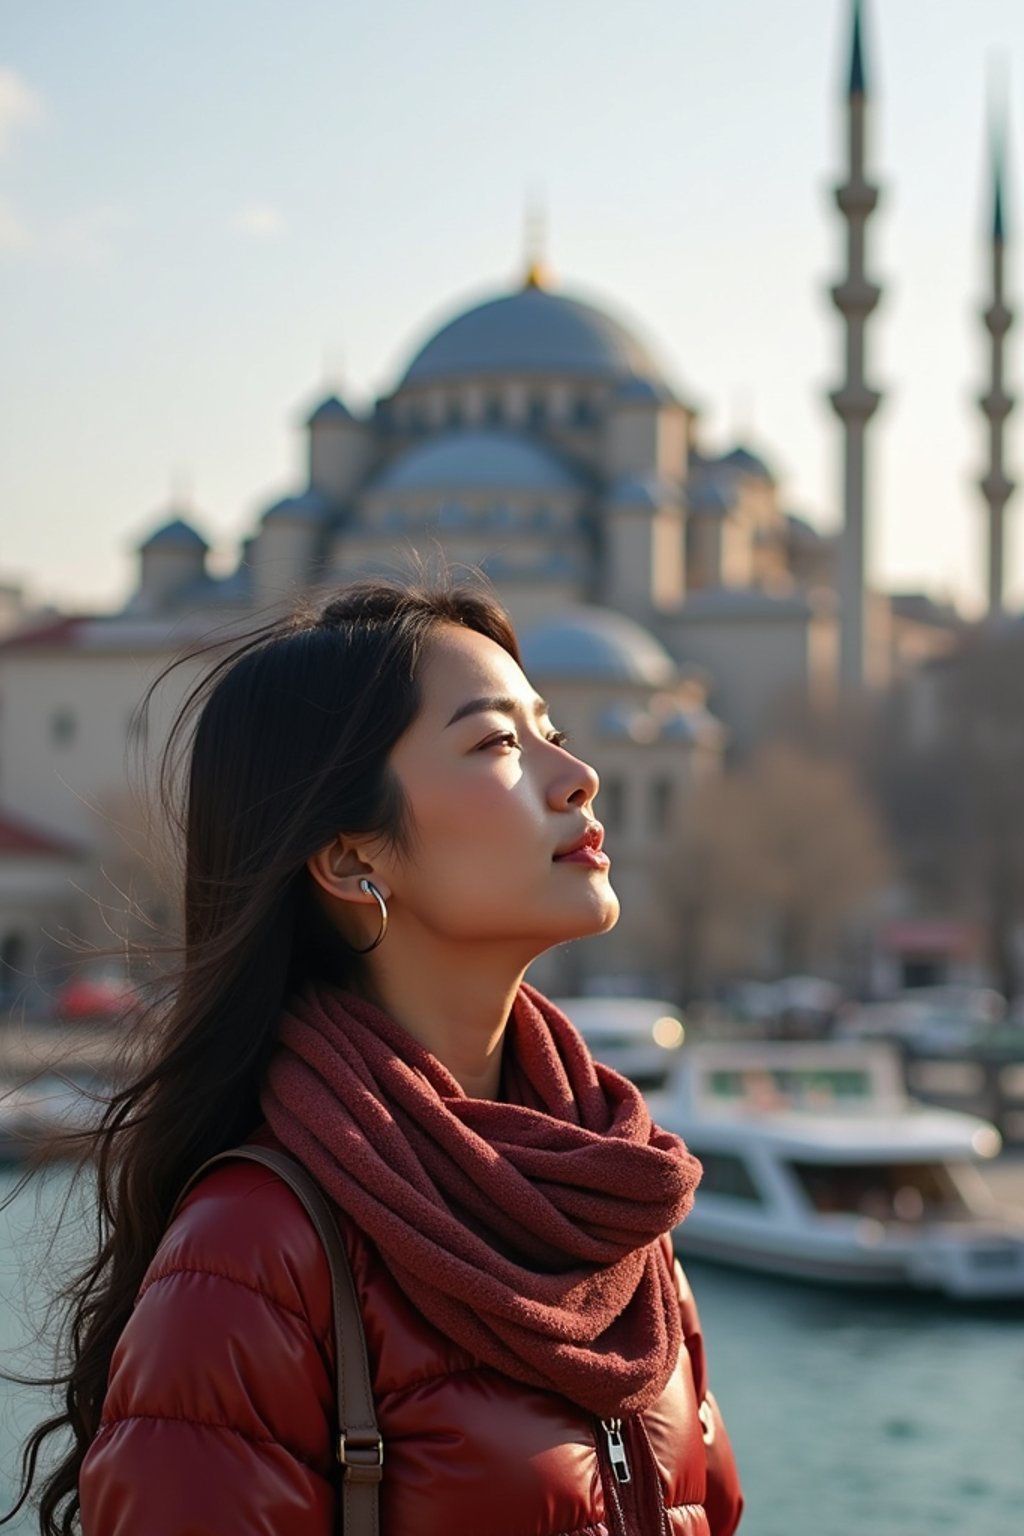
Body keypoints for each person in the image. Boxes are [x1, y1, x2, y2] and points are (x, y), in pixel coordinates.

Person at [7, 578, 743, 1536]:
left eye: (551, 729)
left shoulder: (618, 1206)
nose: (577, 774)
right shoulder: (252, 1254)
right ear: (355, 858)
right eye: (499, 744)